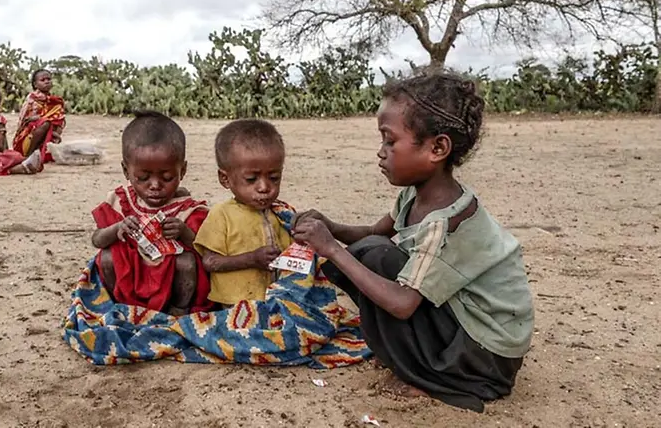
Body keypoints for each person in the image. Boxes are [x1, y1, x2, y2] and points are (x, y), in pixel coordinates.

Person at [292, 72, 534, 413]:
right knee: (374, 250)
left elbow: (403, 304)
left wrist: (331, 247)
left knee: (376, 261)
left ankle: (430, 376)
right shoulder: (416, 195)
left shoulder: (447, 222)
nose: (381, 152)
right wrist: (330, 227)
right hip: (470, 333)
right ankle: (414, 356)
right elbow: (375, 231)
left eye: (390, 141)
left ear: (437, 148)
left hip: (485, 357)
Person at [90, 110, 211, 315]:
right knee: (107, 257)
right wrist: (118, 228)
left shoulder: (188, 209)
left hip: (170, 277)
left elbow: (204, 250)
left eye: (167, 177)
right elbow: (97, 240)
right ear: (126, 171)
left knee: (187, 262)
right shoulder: (121, 201)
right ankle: (119, 306)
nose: (155, 186)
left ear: (182, 170)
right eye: (143, 177)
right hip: (130, 274)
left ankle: (177, 311)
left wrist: (183, 232)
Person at [193, 119, 294, 308]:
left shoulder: (281, 214)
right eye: (251, 179)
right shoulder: (221, 215)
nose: (264, 187)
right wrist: (251, 259)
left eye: (274, 178)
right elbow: (210, 261)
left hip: (275, 299)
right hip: (235, 304)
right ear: (225, 179)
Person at [12, 69, 65, 164]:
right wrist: (42, 119)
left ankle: (43, 151)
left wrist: (54, 132)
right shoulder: (32, 99)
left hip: (47, 135)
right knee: (45, 123)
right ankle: (28, 155)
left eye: (49, 79)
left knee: (53, 121)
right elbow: (26, 120)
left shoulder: (55, 102)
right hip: (26, 138)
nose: (47, 81)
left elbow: (59, 120)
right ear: (35, 84)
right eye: (43, 80)